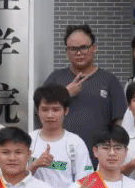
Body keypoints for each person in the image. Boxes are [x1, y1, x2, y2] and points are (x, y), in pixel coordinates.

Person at [43, 24, 127, 153]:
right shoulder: (55, 78)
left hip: (98, 155)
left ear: (94, 48)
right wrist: (65, 94)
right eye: (73, 49)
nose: (78, 53)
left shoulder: (109, 80)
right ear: (67, 52)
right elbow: (41, 111)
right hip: (60, 155)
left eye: (83, 48)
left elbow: (119, 121)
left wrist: (114, 151)